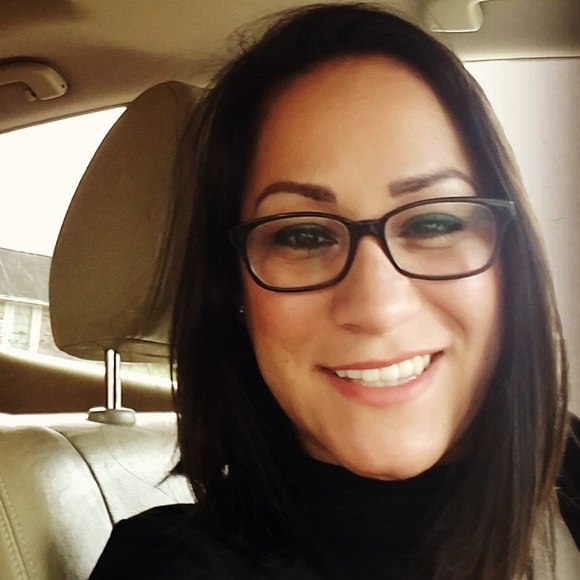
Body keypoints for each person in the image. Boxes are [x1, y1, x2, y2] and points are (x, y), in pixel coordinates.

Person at [90, 3, 579, 579]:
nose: (377, 306)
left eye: (434, 223)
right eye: (302, 235)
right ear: (233, 289)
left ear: (512, 263)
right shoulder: (170, 566)